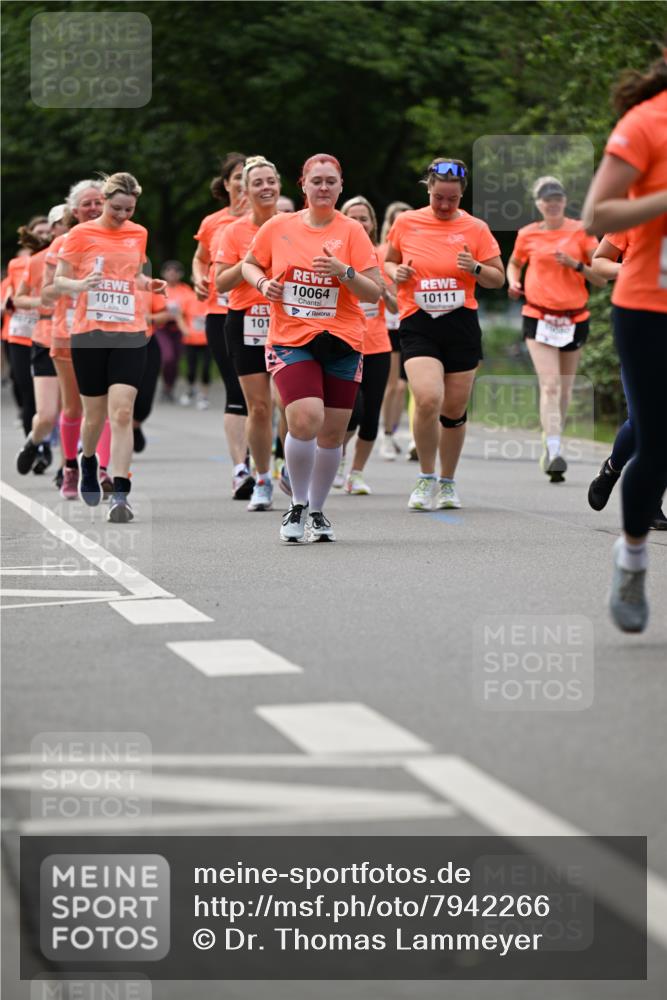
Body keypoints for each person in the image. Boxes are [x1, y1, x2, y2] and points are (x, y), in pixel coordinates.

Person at [242, 153, 382, 542]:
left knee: (333, 434)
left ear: (340, 187)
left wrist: (345, 272)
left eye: (330, 182)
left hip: (343, 339)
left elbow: (375, 290)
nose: (323, 188)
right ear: (302, 185)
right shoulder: (278, 226)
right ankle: (298, 504)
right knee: (305, 417)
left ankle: (318, 510)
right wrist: (262, 284)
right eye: (316, 181)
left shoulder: (353, 232)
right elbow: (250, 264)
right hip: (291, 338)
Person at [582, 44, 667, 632]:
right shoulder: (646, 123)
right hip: (649, 306)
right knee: (658, 444)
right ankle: (633, 557)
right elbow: (597, 217)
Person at [384, 158, 505, 511]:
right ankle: (425, 477)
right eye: (438, 197)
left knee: (453, 409)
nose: (444, 205)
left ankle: (448, 481)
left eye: (452, 199)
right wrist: (398, 271)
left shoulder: (476, 228)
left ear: (462, 195)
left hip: (461, 323)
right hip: (418, 321)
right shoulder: (406, 222)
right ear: (429, 190)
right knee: (427, 398)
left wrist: (477, 267)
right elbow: (388, 261)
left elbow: (498, 278)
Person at [55, 172, 166, 523]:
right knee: (94, 416)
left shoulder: (138, 233)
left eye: (129, 210)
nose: (123, 216)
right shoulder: (79, 234)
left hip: (130, 332)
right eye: (117, 208)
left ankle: (120, 493)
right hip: (89, 333)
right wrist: (80, 283)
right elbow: (59, 279)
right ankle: (87, 460)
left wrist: (150, 283)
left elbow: (132, 275)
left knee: (121, 413)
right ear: (103, 201)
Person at [507, 176, 604, 482]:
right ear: (538, 203)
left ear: (564, 201)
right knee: (549, 384)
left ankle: (553, 439)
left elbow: (601, 277)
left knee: (564, 387)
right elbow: (514, 263)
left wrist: (576, 265)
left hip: (574, 317)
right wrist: (513, 280)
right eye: (546, 199)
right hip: (539, 315)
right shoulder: (527, 234)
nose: (552, 203)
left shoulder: (581, 231)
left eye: (557, 198)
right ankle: (554, 449)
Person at [587, 234, 666, 529]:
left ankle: (651, 501)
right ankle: (611, 470)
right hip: (642, 325)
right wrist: (630, 271)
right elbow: (598, 263)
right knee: (644, 419)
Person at [216, 156, 281, 512]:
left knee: (290, 404)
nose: (265, 187)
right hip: (246, 321)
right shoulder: (234, 231)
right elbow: (220, 281)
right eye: (257, 182)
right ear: (245, 189)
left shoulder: (293, 225)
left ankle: (289, 462)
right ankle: (262, 478)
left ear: (280, 184)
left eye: (270, 180)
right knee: (259, 407)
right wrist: (249, 263)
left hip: (291, 323)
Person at [41, 181, 110, 500]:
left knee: (106, 407)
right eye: (87, 203)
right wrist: (78, 285)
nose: (94, 208)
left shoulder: (116, 238)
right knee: (72, 406)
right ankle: (70, 466)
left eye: (99, 202)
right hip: (67, 331)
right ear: (73, 209)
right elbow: (46, 291)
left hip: (108, 332)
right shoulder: (62, 243)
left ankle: (103, 469)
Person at [192, 153, 253, 499]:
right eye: (238, 177)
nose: (244, 183)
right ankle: (241, 468)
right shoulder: (213, 222)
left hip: (266, 314)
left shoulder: (272, 220)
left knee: (271, 395)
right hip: (222, 313)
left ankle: (273, 458)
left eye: (251, 176)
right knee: (236, 389)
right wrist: (200, 278)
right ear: (226, 183)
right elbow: (200, 259)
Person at [338, 195, 395, 495]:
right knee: (352, 410)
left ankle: (356, 474)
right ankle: (337, 456)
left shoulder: (383, 257)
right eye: (352, 216)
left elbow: (398, 308)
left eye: (364, 217)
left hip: (377, 345)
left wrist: (386, 292)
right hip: (344, 342)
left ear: (373, 223)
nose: (359, 222)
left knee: (371, 415)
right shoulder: (334, 254)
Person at [14, 205, 69, 477]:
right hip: (46, 338)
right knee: (47, 416)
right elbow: (19, 298)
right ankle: (34, 441)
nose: (69, 227)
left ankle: (66, 466)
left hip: (81, 341)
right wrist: (44, 301)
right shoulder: (38, 260)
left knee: (72, 411)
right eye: (63, 223)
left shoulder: (92, 256)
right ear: (53, 228)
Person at [6, 217, 50, 449]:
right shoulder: (16, 265)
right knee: (26, 392)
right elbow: (11, 295)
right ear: (31, 234)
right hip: (21, 333)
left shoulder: (58, 260)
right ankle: (35, 446)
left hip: (47, 333)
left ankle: (42, 443)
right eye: (39, 231)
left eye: (47, 231)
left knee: (42, 396)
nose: (43, 235)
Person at [378, 201, 411, 460]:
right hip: (387, 324)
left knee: (408, 387)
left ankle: (407, 434)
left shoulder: (419, 250)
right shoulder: (380, 253)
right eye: (395, 220)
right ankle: (386, 436)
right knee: (393, 386)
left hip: (412, 322)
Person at [154, 261, 194, 401]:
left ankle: (169, 388)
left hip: (179, 329)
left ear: (181, 274)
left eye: (175, 271)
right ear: (163, 273)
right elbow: (152, 308)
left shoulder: (186, 290)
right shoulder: (158, 289)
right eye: (169, 270)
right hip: (162, 328)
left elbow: (192, 310)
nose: (172, 273)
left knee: (175, 360)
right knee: (168, 357)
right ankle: (163, 385)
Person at [179, 293, 211, 409]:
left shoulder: (212, 297)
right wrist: (184, 328)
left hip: (208, 341)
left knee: (206, 369)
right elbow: (179, 315)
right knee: (191, 369)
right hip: (191, 340)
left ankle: (204, 396)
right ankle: (190, 390)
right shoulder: (188, 298)